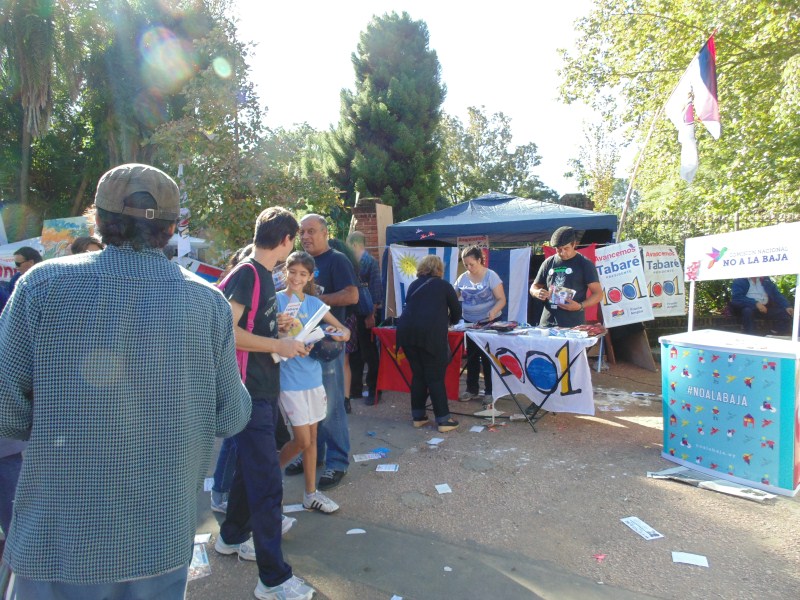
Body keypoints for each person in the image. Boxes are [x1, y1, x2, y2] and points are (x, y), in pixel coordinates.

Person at [0, 163, 252, 598]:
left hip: (60, 539)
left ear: (98, 219)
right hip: (160, 539)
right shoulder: (208, 303)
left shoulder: (42, 285)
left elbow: (7, 412)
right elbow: (232, 416)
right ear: (171, 228)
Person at [214, 207, 316, 600]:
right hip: (250, 392)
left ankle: (231, 536)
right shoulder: (249, 273)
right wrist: (277, 343)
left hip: (261, 390)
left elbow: (251, 327)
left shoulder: (262, 276)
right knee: (268, 484)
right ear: (286, 240)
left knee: (250, 469)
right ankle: (273, 579)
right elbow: (228, 332)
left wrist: (281, 330)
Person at [277, 251, 350, 514]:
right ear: (285, 272)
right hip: (289, 380)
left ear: (310, 277)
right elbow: (266, 337)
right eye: (292, 272)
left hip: (313, 377)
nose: (296, 278)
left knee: (313, 437)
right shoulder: (274, 301)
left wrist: (336, 335)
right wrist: (279, 329)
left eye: (303, 274)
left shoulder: (314, 303)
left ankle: (310, 494)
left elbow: (344, 330)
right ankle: (268, 475)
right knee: (301, 440)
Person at [292, 214, 358, 492]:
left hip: (328, 344)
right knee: (309, 405)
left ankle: (338, 462)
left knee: (331, 406)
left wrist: (315, 301)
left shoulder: (337, 260)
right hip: (303, 344)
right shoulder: (302, 262)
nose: (305, 236)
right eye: (302, 232)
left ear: (325, 233)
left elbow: (352, 295)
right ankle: (312, 454)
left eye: (311, 231)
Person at [210, 243, 254, 514]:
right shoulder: (243, 281)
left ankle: (223, 491)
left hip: (245, 371)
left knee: (237, 436)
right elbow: (231, 331)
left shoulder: (239, 283)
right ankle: (221, 492)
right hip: (237, 371)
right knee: (235, 437)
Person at [397, 255, 462, 432]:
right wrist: (448, 321)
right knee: (435, 377)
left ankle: (418, 417)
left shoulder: (413, 285)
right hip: (430, 336)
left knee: (418, 375)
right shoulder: (444, 286)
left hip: (407, 333)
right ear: (439, 269)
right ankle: (443, 420)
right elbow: (457, 312)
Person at [454, 245, 506, 401]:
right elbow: (453, 296)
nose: (469, 268)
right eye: (466, 265)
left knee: (488, 356)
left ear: (479, 260)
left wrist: (493, 311)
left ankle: (490, 391)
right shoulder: (462, 278)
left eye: (472, 264)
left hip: (489, 322)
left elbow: (502, 299)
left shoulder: (491, 276)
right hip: (470, 322)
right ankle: (472, 389)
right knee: (472, 356)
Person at [530, 226, 602, 328]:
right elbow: (534, 287)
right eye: (558, 249)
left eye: (566, 248)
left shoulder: (585, 263)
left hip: (573, 324)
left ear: (574, 244)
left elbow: (598, 294)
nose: (562, 252)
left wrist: (580, 306)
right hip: (547, 323)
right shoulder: (548, 262)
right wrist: (537, 292)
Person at [346, 231, 382, 406]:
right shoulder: (352, 262)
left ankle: (374, 390)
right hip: (355, 314)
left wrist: (371, 315)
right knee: (355, 353)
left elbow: (376, 291)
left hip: (366, 314)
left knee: (369, 353)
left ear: (354, 244)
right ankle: (356, 389)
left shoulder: (370, 262)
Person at [329, 238, 360, 415]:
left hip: (340, 317)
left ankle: (339, 399)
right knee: (345, 360)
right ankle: (346, 399)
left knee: (338, 361)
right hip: (349, 317)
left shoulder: (336, 262)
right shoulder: (351, 264)